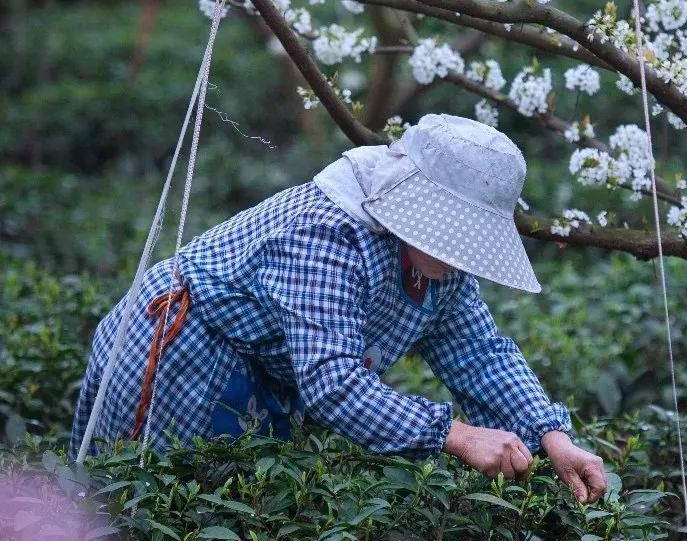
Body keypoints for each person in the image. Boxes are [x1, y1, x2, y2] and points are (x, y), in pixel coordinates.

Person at [71, 114, 606, 502]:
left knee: (238, 525)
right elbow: (333, 384)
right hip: (183, 350)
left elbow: (479, 352)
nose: (456, 249)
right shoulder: (329, 234)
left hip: (268, 379)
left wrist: (549, 435)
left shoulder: (444, 266)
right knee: (135, 518)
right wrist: (458, 435)